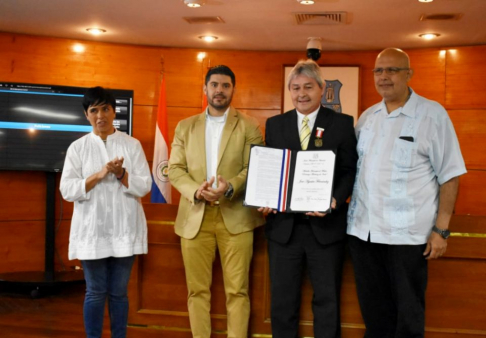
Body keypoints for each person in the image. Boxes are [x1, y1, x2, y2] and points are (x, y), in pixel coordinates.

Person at [347, 48, 467, 337]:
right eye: (379, 71)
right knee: (374, 315)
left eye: (393, 70)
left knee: (408, 316)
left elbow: (450, 175)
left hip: (408, 238)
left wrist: (442, 229)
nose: (384, 77)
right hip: (364, 234)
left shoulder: (432, 114)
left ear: (409, 74)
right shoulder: (367, 118)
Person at [260, 59, 358, 338]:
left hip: (326, 229)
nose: (301, 94)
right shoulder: (276, 124)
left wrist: (336, 200)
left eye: (308, 87)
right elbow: (271, 169)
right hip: (283, 230)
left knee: (327, 301)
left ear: (321, 88)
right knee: (282, 303)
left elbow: (350, 170)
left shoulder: (341, 123)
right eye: (295, 88)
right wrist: (266, 197)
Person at [168, 65, 264, 338]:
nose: (219, 90)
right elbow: (174, 169)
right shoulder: (185, 126)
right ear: (205, 89)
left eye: (225, 85)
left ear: (233, 89)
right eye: (214, 85)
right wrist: (197, 191)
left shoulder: (249, 125)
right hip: (195, 217)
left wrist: (230, 186)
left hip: (236, 217)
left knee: (238, 291)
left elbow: (254, 166)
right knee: (197, 291)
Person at [60, 86, 152, 338]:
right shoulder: (77, 148)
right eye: (94, 110)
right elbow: (67, 189)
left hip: (125, 229)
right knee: (95, 291)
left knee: (119, 292)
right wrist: (100, 174)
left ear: (114, 112)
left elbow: (145, 185)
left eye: (105, 109)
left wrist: (121, 174)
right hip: (92, 231)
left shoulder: (131, 144)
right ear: (86, 115)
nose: (100, 115)